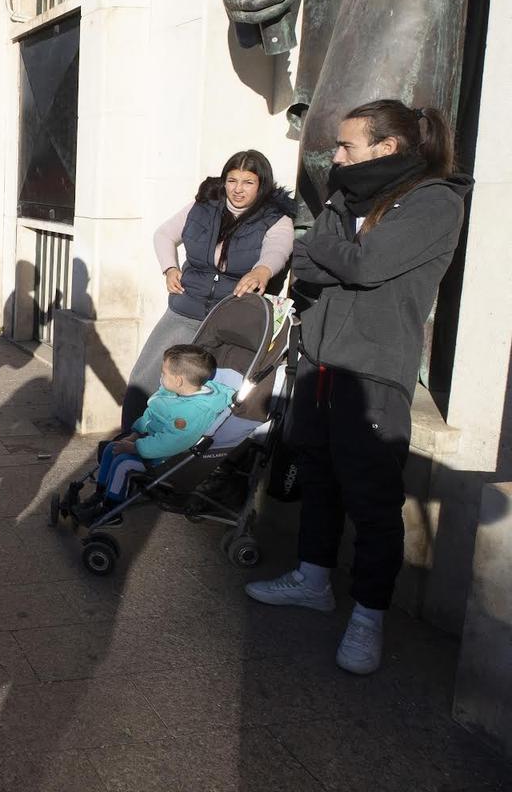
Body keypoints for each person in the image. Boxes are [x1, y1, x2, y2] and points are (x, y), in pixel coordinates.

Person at [245, 99, 472, 675]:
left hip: (373, 373)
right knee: (319, 479)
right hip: (319, 360)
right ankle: (313, 580)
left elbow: (367, 268)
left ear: (386, 147)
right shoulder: (346, 198)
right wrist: (331, 254)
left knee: (373, 501)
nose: (337, 156)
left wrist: (329, 253)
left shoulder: (434, 202)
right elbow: (311, 264)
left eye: (347, 146)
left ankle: (369, 615)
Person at [122, 150, 295, 429]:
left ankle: (179, 457)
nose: (237, 189)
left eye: (248, 182)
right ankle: (127, 442)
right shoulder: (203, 205)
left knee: (202, 396)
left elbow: (277, 250)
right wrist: (170, 268)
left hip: (229, 321)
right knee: (146, 380)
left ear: (261, 185)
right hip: (185, 311)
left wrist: (261, 271)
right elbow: (164, 234)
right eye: (232, 180)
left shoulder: (276, 219)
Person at [76, 345, 233, 523]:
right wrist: (135, 433)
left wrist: (136, 447)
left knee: (123, 463)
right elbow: (152, 415)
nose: (161, 376)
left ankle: (111, 508)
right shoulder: (174, 393)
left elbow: (172, 443)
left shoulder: (192, 412)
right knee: (111, 448)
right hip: (149, 441)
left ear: (179, 381)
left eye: (164, 373)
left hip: (165, 457)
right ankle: (101, 493)